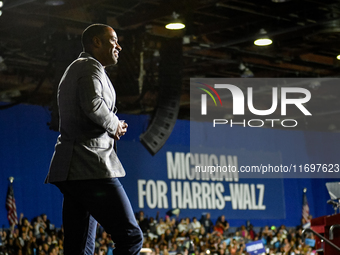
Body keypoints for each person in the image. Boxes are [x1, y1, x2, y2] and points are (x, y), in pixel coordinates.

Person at [44, 23, 143, 255]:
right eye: (113, 40)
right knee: (131, 237)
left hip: (73, 170)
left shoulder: (81, 68)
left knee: (79, 249)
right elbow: (93, 104)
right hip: (90, 166)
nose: (118, 46)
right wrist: (115, 124)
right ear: (96, 42)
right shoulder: (90, 67)